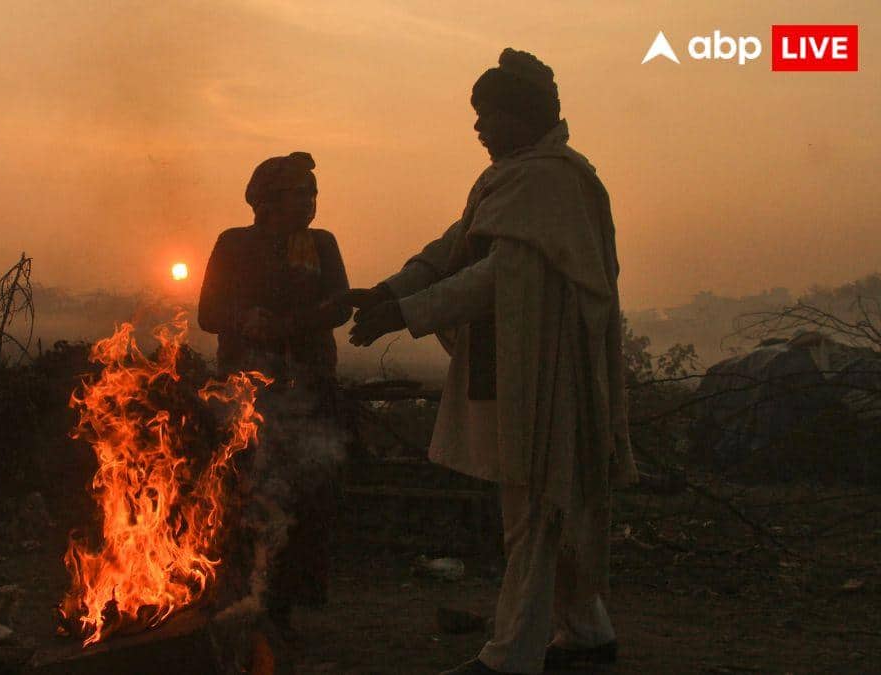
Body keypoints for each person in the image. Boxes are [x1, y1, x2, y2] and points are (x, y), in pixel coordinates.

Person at [344, 49, 638, 674]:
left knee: (536, 510)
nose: (478, 127)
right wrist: (391, 290)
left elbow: (497, 274)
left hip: (549, 373)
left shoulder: (555, 180)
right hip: (511, 363)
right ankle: (586, 634)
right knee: (542, 507)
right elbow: (453, 247)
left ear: (521, 115)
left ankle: (510, 658)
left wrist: (408, 313)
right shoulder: (514, 176)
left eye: (487, 115)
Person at [198, 151, 351, 634]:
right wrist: (244, 321)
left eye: (312, 193)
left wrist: (288, 326)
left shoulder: (320, 245)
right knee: (247, 489)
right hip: (246, 392)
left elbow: (339, 306)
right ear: (264, 202)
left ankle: (289, 598)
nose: (308, 203)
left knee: (307, 490)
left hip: (309, 385)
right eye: (297, 194)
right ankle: (240, 592)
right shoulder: (233, 244)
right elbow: (208, 313)